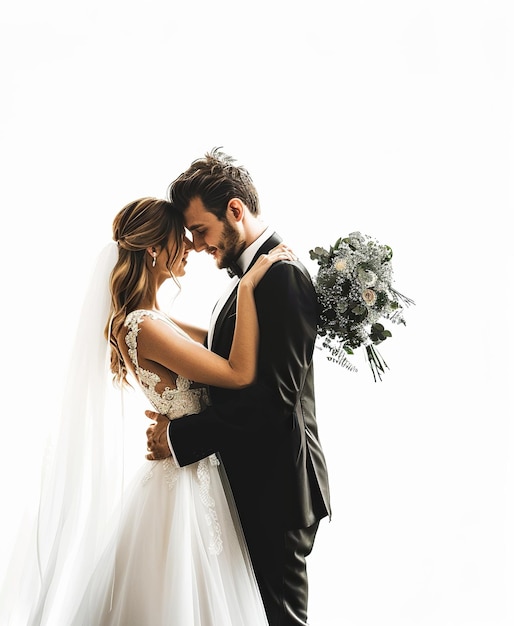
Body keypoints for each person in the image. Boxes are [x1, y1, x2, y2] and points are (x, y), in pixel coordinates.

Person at [0, 196, 294, 625]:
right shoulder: (143, 325)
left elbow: (219, 341)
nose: (190, 247)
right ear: (154, 249)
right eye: (179, 240)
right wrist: (247, 287)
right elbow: (239, 372)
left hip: (199, 469)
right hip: (187, 478)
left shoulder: (153, 319)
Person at [146, 149, 332, 626]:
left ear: (234, 210)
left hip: (277, 491)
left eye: (201, 230)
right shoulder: (253, 276)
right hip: (253, 482)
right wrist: (151, 325)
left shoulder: (281, 276)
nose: (197, 245)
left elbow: (272, 402)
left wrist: (177, 437)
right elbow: (226, 356)